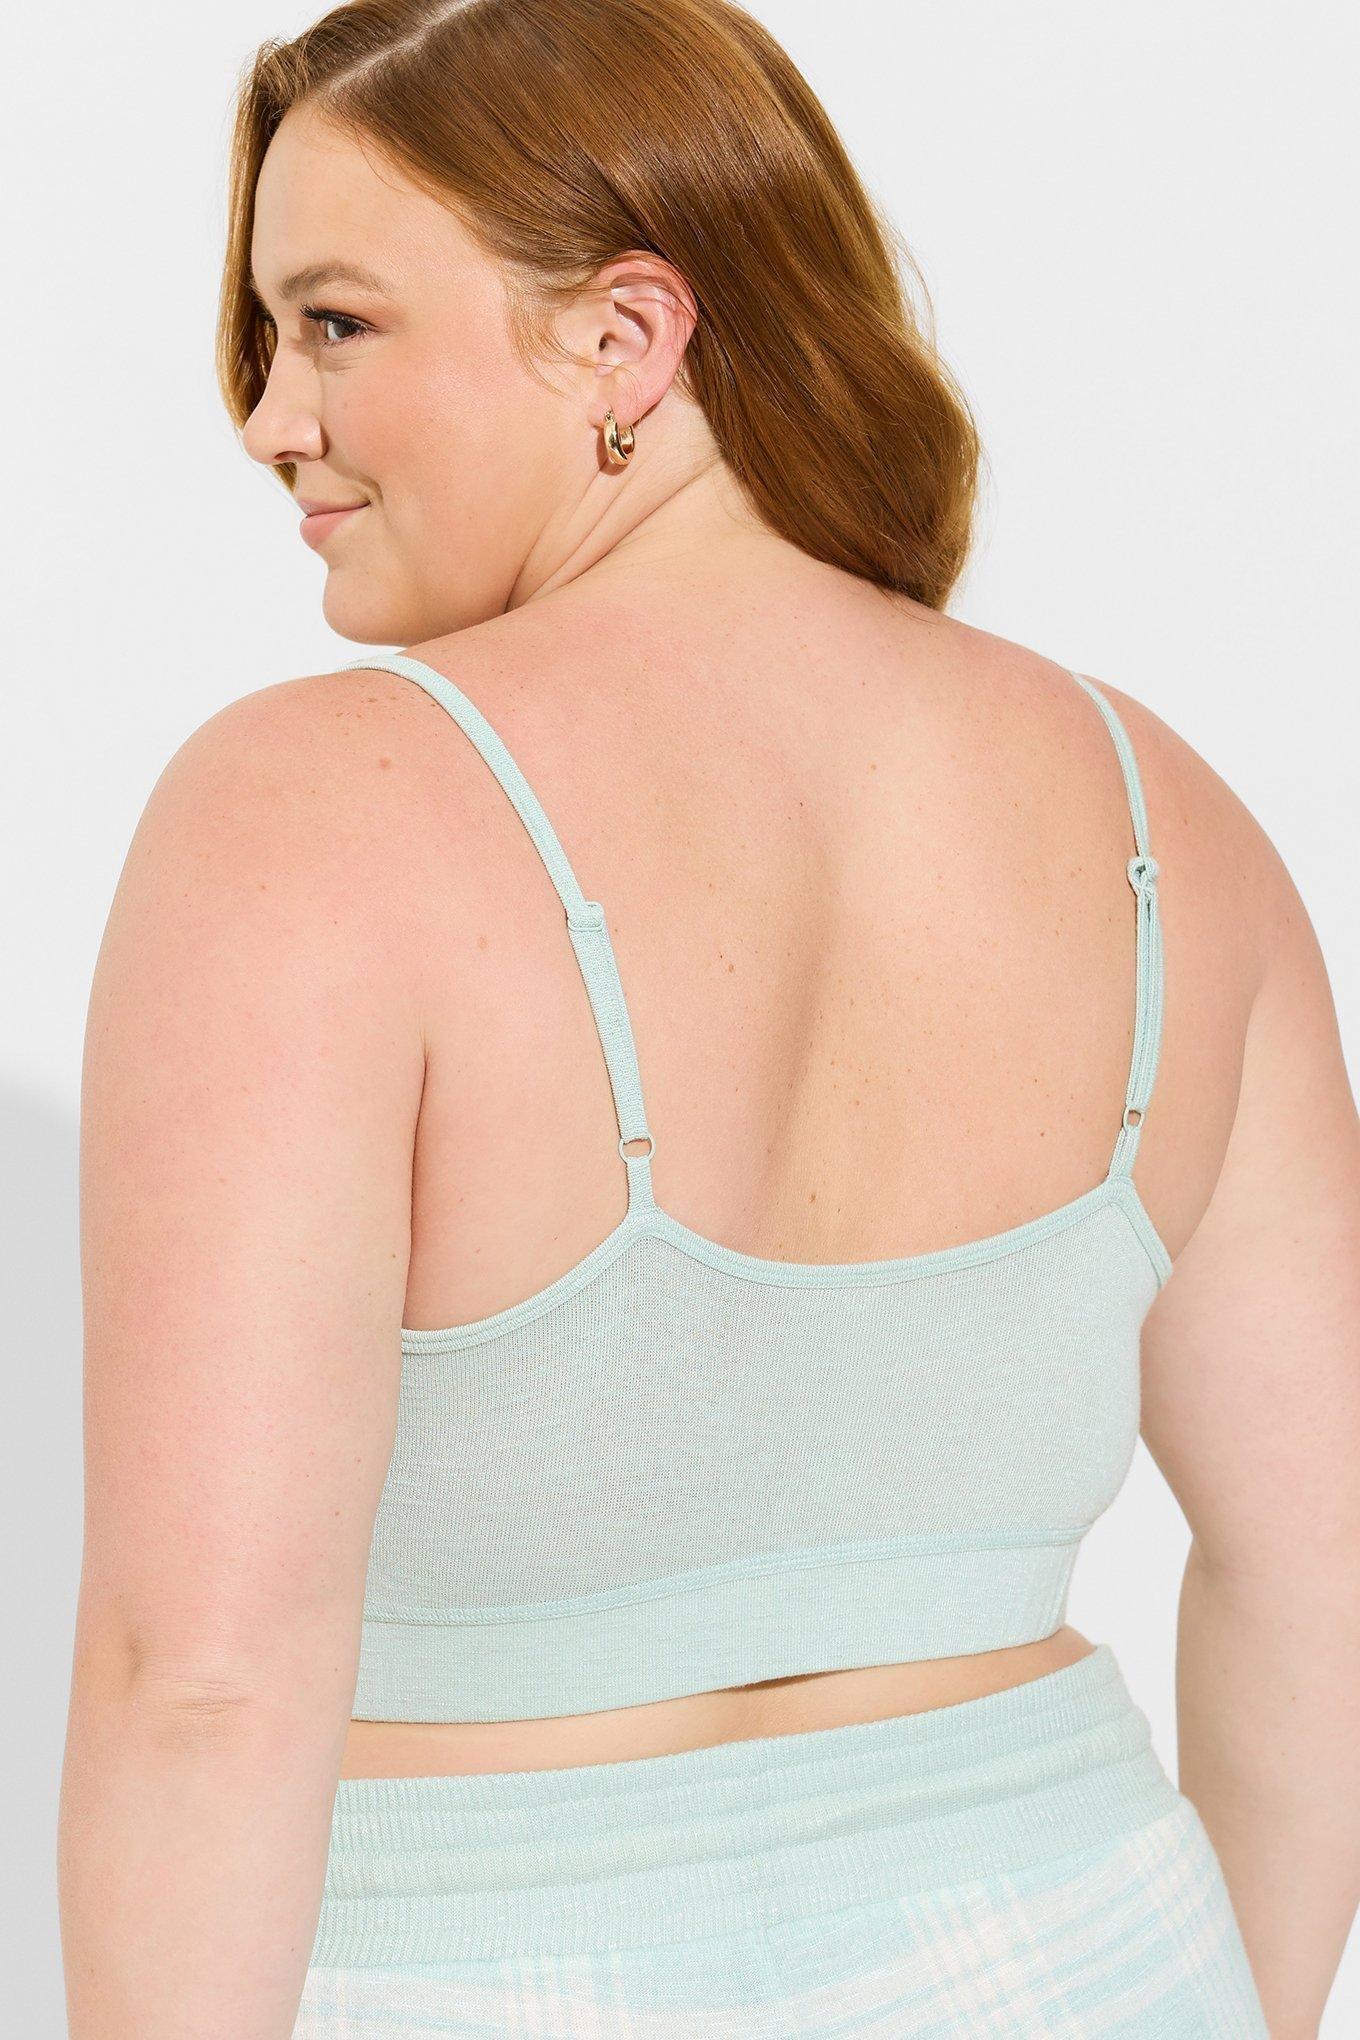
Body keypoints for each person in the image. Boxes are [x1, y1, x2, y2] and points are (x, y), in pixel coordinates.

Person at [58, 1, 1357, 2034]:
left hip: (480, 1972)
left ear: (622, 339)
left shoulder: (308, 813)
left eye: (334, 325)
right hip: (1090, 1950)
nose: (268, 418)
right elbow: (1320, 1566)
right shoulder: (1158, 813)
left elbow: (202, 1681)